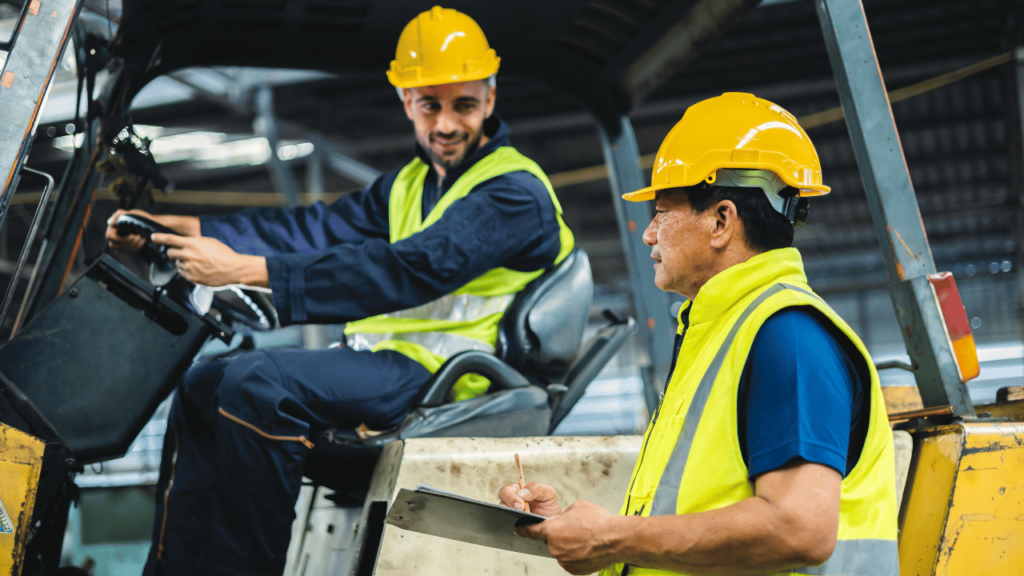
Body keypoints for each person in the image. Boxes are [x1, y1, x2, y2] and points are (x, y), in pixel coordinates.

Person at [106, 6, 574, 575]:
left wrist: (247, 270)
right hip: (386, 362)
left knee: (259, 385)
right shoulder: (410, 184)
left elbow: (408, 269)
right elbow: (313, 228)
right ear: (407, 102)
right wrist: (194, 230)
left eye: (463, 105)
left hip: (449, 371)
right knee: (204, 381)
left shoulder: (512, 193)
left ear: (490, 99)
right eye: (430, 105)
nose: (446, 124)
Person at [498, 93, 898, 576]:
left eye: (662, 212)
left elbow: (799, 529)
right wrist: (583, 537)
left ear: (721, 221)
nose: (648, 234)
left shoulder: (787, 336)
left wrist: (611, 536)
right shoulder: (720, 333)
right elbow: (691, 519)